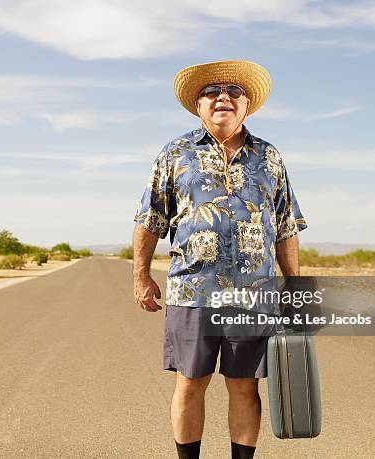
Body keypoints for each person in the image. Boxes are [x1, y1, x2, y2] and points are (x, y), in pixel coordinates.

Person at [132, 60, 308, 459]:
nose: (222, 97)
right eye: (212, 92)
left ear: (247, 105)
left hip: (254, 296)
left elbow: (286, 226)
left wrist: (296, 287)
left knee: (245, 385)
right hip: (192, 291)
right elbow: (150, 219)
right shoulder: (176, 153)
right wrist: (141, 274)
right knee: (190, 382)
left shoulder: (270, 157)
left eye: (233, 92)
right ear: (199, 105)